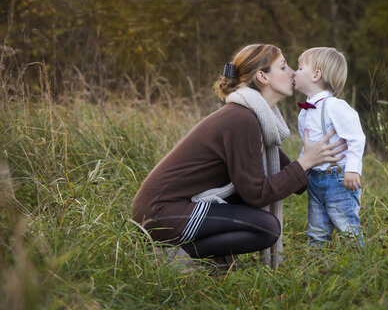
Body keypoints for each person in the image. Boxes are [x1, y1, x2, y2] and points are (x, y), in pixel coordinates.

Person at [132, 44, 347, 267]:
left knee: (250, 208)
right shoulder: (241, 119)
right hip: (161, 214)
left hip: (168, 210)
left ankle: (211, 259)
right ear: (262, 76)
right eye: (283, 67)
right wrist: (306, 161)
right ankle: (175, 258)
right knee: (266, 228)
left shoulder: (255, 118)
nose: (292, 72)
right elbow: (258, 194)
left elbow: (293, 180)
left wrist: (340, 187)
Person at [294, 47, 365, 247]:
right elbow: (308, 148)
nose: (295, 72)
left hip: (338, 179)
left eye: (300, 68)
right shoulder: (304, 113)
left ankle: (359, 265)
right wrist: (302, 170)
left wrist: (352, 169)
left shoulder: (335, 106)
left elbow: (356, 138)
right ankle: (318, 269)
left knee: (347, 226)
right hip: (315, 180)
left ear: (316, 75)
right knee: (316, 229)